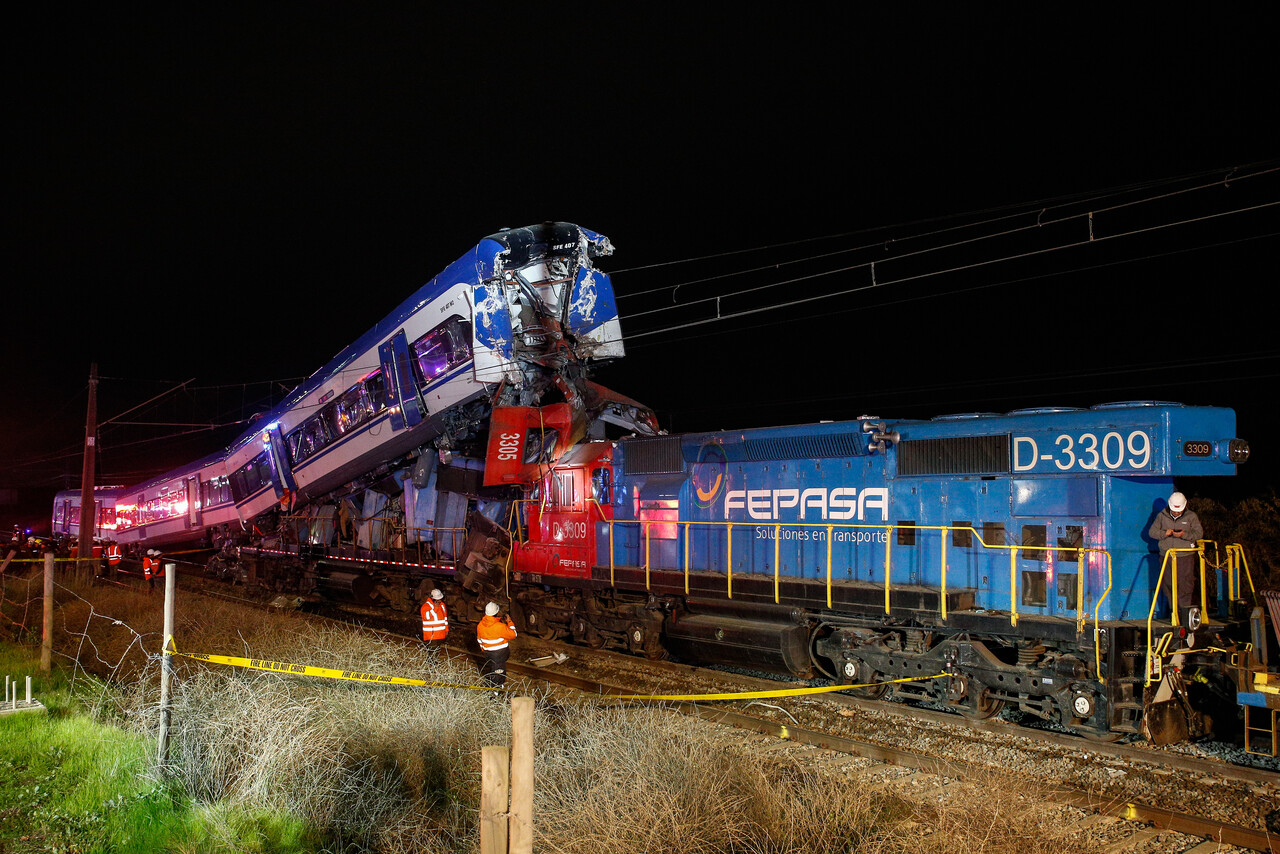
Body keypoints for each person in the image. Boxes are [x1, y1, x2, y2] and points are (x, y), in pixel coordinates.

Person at [1148, 491, 1204, 627]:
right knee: (1168, 584)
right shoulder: (1161, 516)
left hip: (1185, 556)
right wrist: (1164, 533)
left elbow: (1199, 533)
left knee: (1185, 584)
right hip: (1167, 556)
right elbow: (1151, 532)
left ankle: (1185, 614)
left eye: (1179, 511)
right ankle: (1174, 612)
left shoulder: (1191, 516)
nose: (1177, 513)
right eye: (1174, 511)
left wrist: (1184, 535)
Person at [476, 601, 517, 692]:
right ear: (496, 612)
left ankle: (497, 687)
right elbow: (513, 634)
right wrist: (509, 622)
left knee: (494, 669)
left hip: (488, 653)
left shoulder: (480, 626)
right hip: (500, 654)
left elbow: (479, 640)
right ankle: (494, 692)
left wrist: (484, 649)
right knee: (498, 672)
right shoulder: (500, 626)